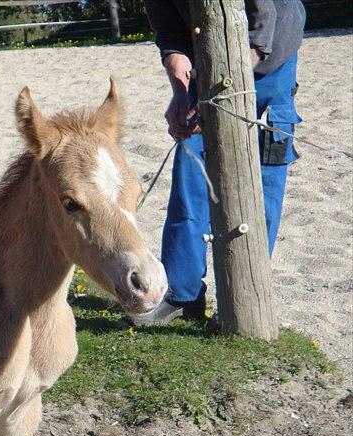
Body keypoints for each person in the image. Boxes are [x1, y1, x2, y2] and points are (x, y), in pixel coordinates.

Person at [131, 0, 306, 326]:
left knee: (264, 173)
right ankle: (182, 295)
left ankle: (247, 295)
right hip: (210, 56)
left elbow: (260, 24)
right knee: (191, 162)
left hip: (272, 50)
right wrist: (182, 95)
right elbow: (171, 35)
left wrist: (220, 90)